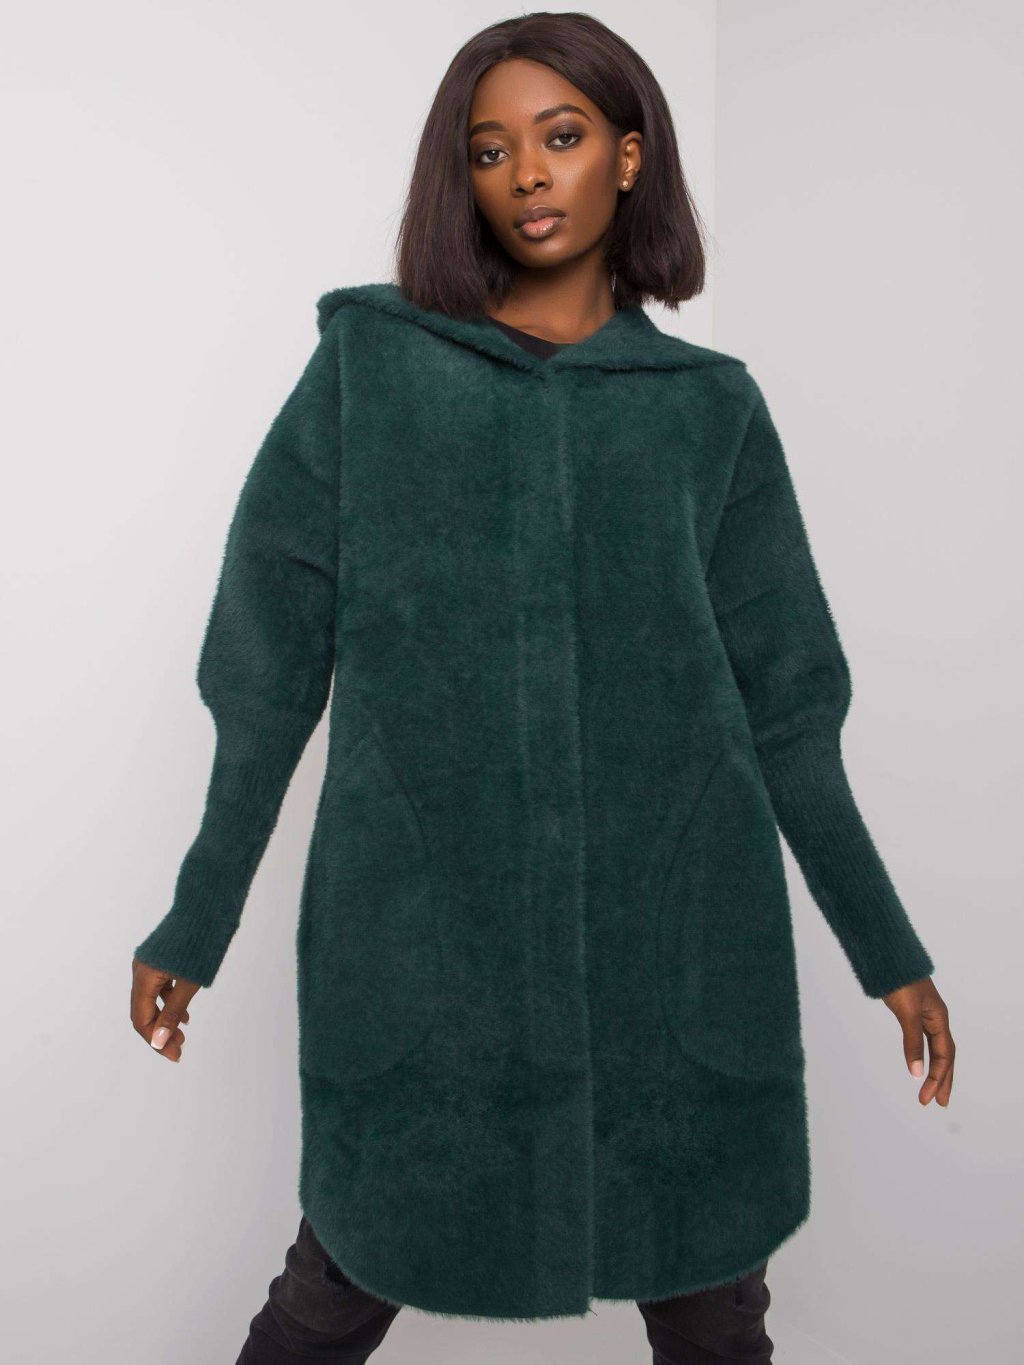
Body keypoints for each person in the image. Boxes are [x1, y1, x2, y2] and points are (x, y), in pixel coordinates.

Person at [130, 12, 955, 1363]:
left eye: (560, 137)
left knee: (713, 1321)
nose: (524, 173)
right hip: (424, 954)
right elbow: (264, 664)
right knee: (328, 1301)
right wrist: (197, 914)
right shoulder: (371, 370)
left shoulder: (709, 410)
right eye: (490, 148)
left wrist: (889, 951)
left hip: (677, 957)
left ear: (628, 156)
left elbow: (793, 703)